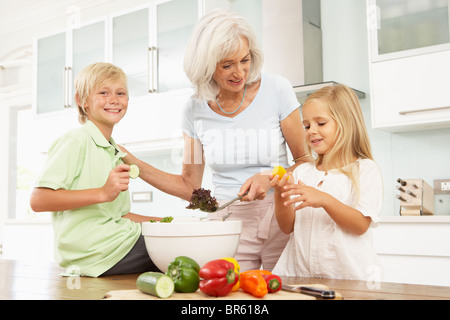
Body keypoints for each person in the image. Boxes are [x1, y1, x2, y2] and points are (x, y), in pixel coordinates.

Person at [121, 9, 309, 271]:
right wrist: (133, 163)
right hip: (227, 221)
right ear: (207, 66)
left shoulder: (277, 89)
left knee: (281, 293)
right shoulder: (195, 109)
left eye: (245, 60)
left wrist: (269, 177)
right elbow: (190, 185)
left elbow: (305, 161)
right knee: (230, 294)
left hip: (279, 213)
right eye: (227, 65)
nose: (240, 72)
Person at [29, 62, 161, 277]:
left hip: (117, 241)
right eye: (103, 92)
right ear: (82, 101)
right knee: (184, 248)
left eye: (121, 93)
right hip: (99, 251)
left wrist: (161, 223)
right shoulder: (76, 140)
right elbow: (38, 200)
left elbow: (120, 215)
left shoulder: (114, 151)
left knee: (177, 238)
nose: (114, 99)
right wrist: (102, 192)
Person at [270, 84, 383, 280]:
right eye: (306, 126)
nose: (311, 131)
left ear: (346, 123)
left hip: (348, 278)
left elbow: (360, 225)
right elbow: (287, 227)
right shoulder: (303, 172)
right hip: (300, 276)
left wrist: (324, 200)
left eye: (321, 123)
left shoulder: (364, 169)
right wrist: (281, 194)